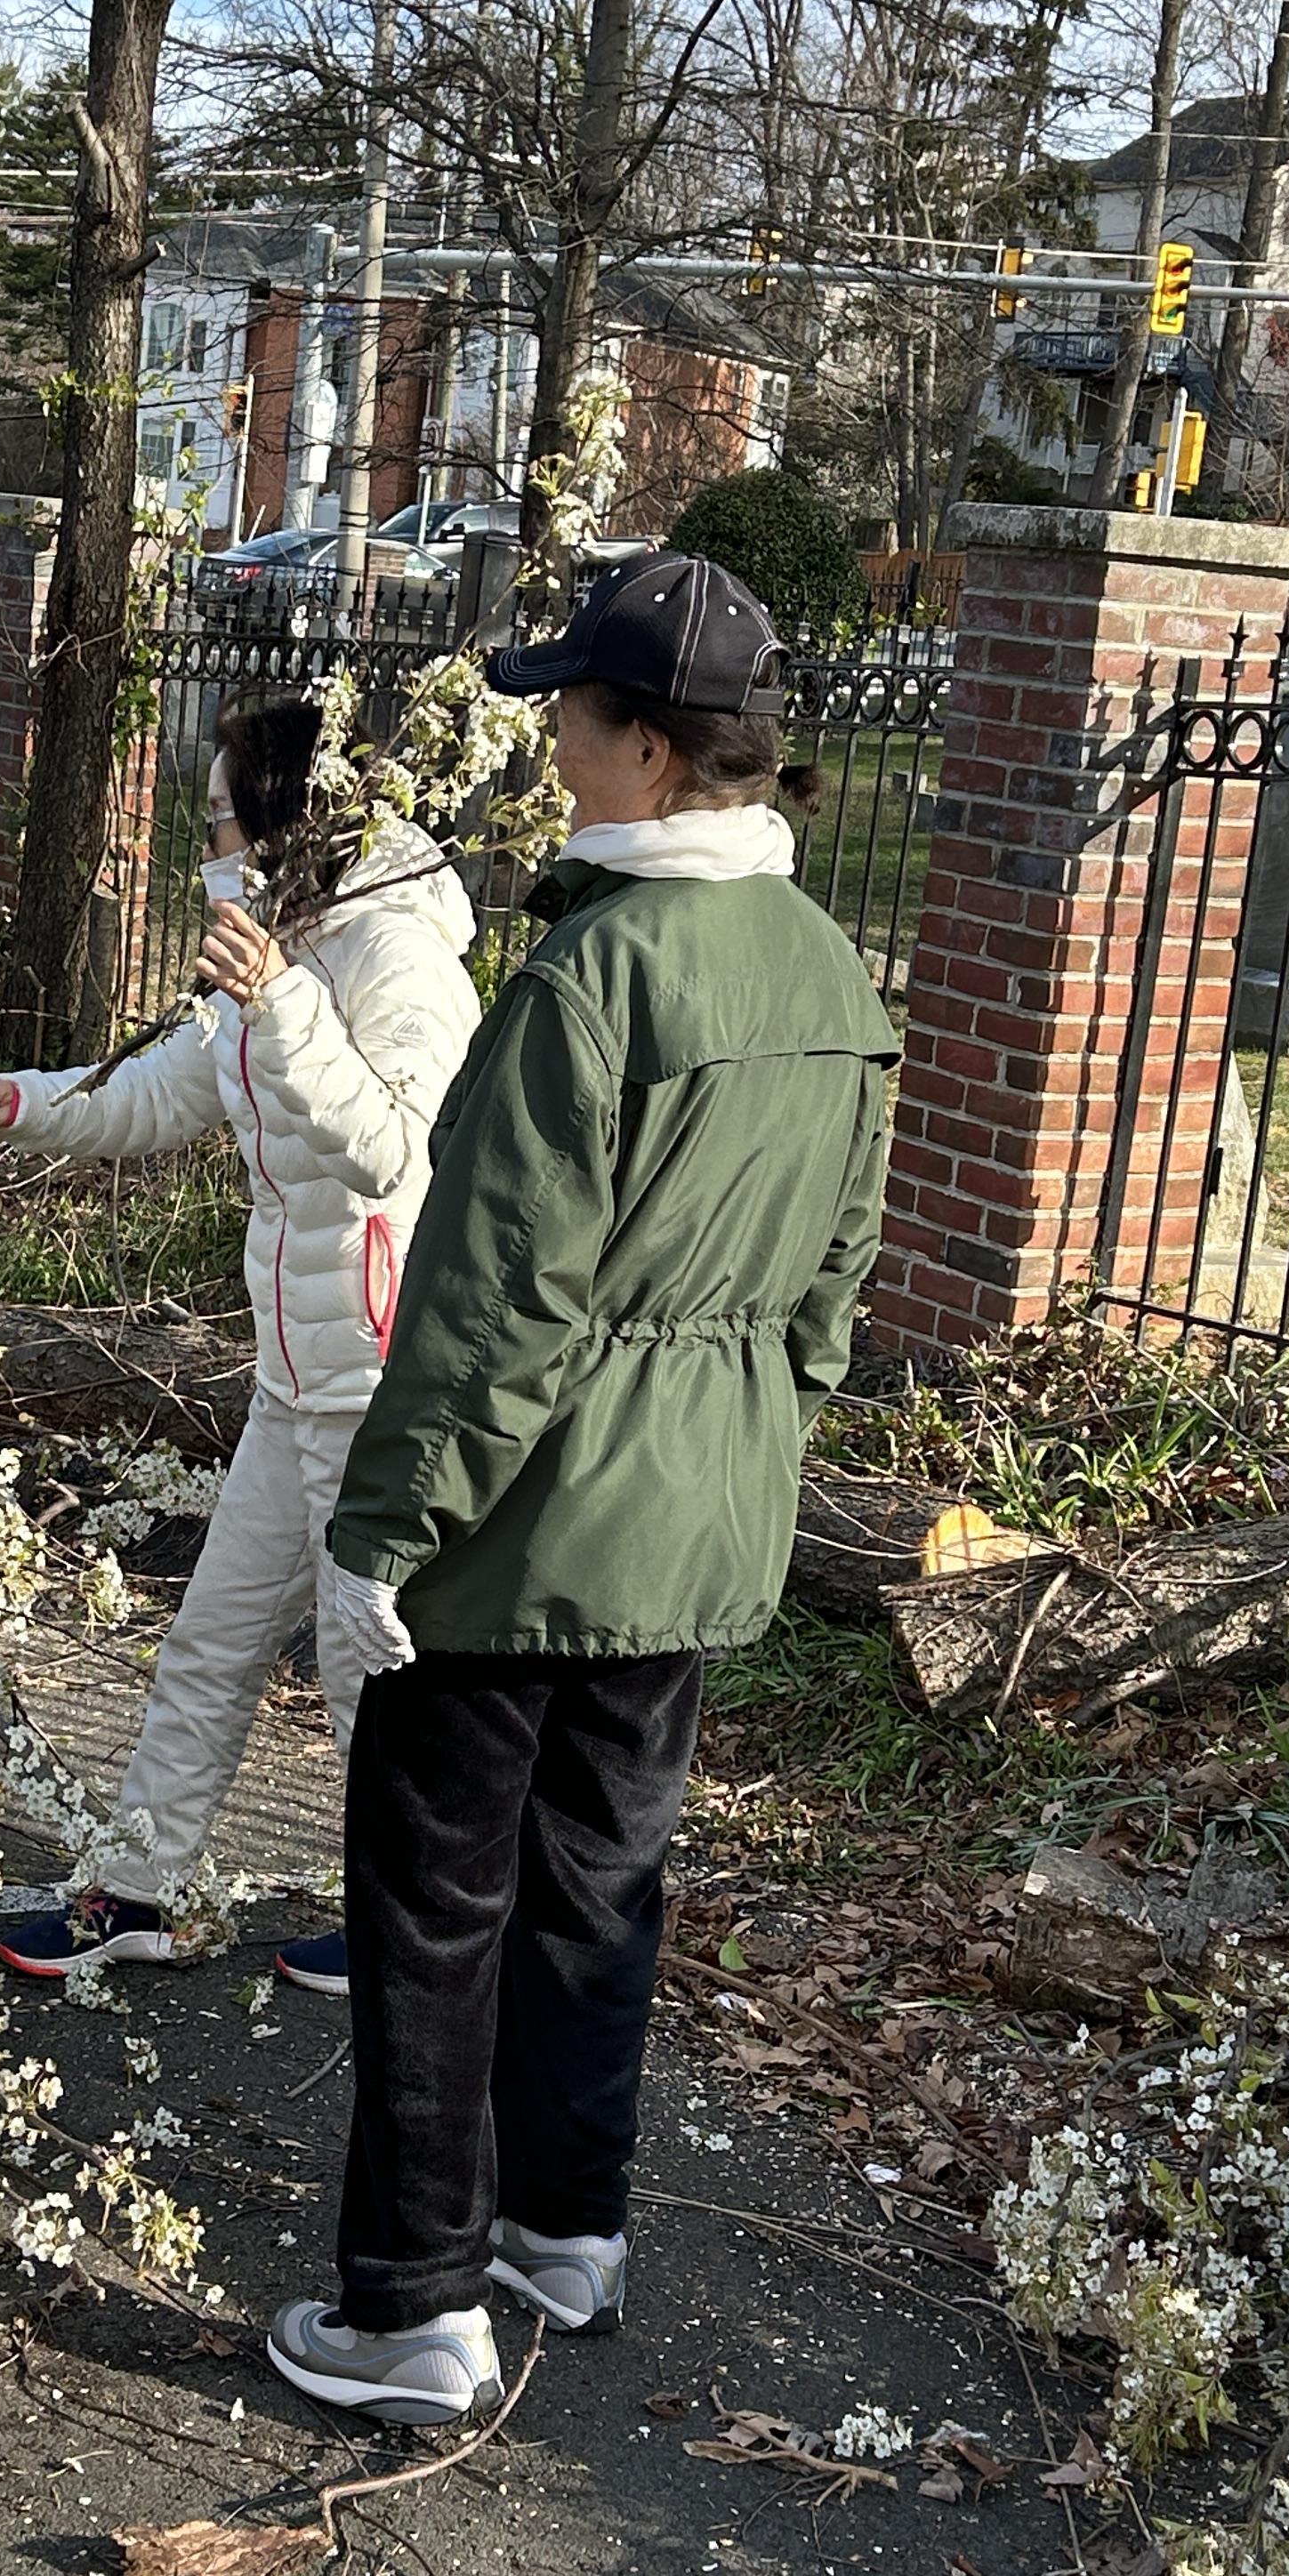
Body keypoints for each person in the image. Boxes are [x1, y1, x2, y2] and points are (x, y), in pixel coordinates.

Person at [263, 550, 901, 2427]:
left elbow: (493, 1305)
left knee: (433, 1903)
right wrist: (746, 1440)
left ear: (648, 747)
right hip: (699, 1522)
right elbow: (835, 1281)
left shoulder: (588, 980)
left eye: (572, 710)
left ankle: (412, 2307)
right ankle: (568, 2229)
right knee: (602, 1888)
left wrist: (382, 1536)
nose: (550, 738)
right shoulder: (830, 965)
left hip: (516, 1525)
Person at [0, 692, 483, 1981]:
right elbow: (164, 1093)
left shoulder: (399, 958)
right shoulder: (271, 950)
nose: (209, 848)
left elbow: (389, 1150)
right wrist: (29, 1102)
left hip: (380, 1382)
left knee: (364, 1667)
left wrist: (284, 1002)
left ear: (290, 823)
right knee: (214, 1639)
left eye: (223, 821)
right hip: (296, 1377)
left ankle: (407, 1937)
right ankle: (138, 1892)